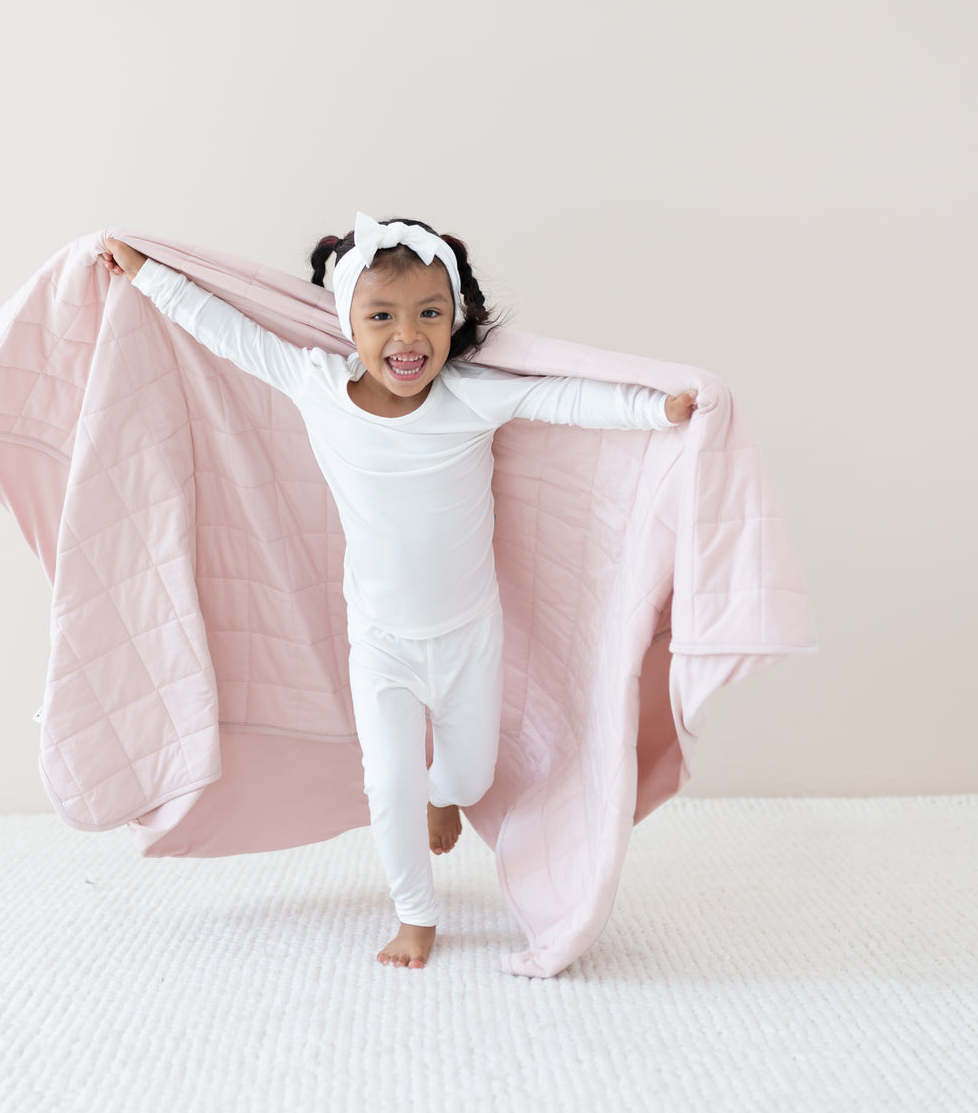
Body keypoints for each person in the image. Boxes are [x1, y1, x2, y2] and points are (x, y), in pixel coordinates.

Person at [99, 212, 697, 969]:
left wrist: (656, 410)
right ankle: (415, 915)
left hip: (470, 635)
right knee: (388, 784)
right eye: (381, 317)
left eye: (429, 315)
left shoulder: (471, 398)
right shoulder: (315, 384)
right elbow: (226, 331)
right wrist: (146, 274)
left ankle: (445, 796)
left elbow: (565, 399)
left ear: (455, 319)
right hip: (380, 643)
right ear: (347, 323)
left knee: (471, 776)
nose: (407, 337)